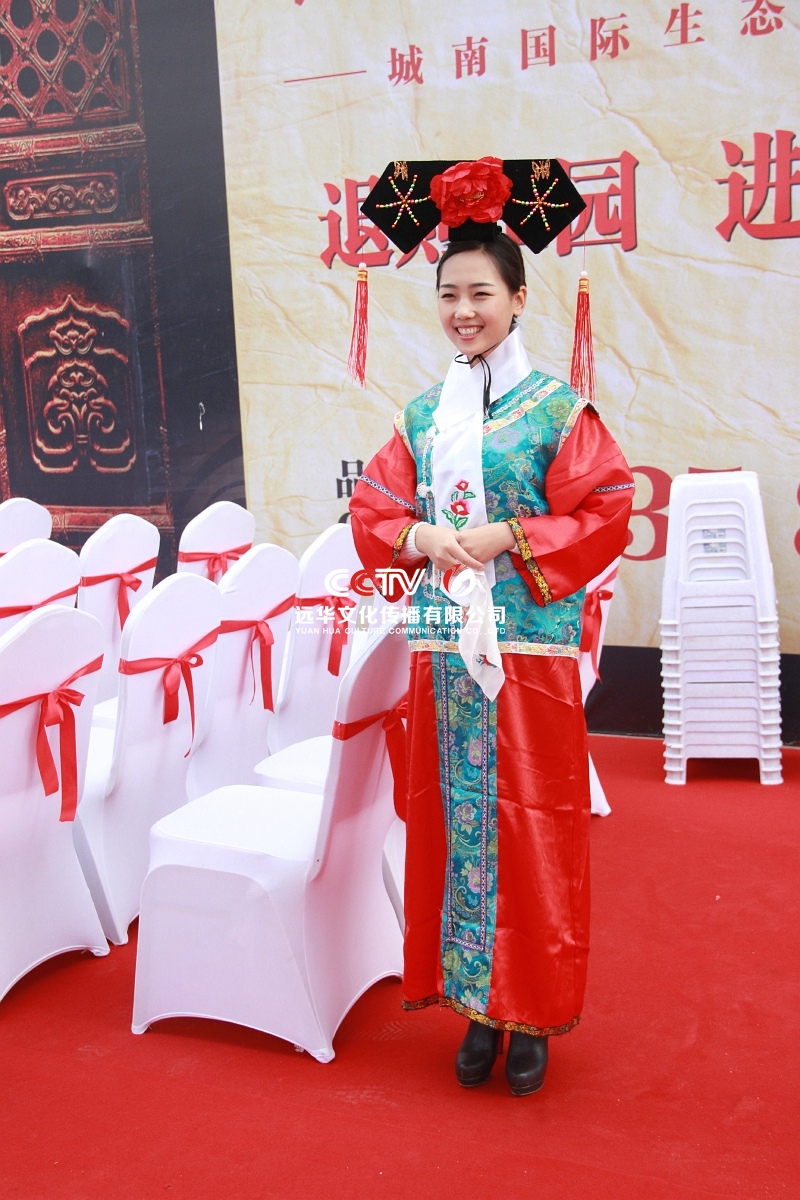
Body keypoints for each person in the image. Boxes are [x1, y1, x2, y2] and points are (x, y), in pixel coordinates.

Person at [349, 158, 634, 1095]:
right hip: (444, 652)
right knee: (453, 823)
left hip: (527, 653)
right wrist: (422, 534)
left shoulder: (557, 411)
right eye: (449, 295)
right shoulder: (423, 418)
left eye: (480, 294)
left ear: (518, 299)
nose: (463, 311)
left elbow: (608, 508)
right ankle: (475, 1006)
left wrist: (511, 534)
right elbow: (375, 510)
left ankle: (534, 1011)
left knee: (534, 828)